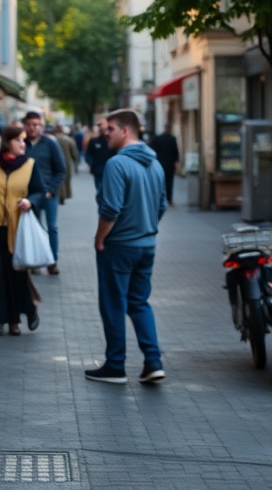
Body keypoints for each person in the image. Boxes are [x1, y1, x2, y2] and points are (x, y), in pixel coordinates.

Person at [85, 108, 167, 386]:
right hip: (147, 244)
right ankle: (153, 362)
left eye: (110, 129)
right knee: (139, 302)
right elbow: (162, 205)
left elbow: (110, 209)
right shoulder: (155, 164)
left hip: (119, 246)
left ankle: (115, 365)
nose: (104, 134)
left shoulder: (117, 164)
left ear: (125, 131)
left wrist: (99, 239)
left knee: (112, 304)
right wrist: (145, 226)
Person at [0, 124, 46, 335]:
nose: (23, 144)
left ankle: (22, 314)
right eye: (18, 140)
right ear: (7, 143)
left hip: (18, 227)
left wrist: (29, 202)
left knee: (16, 274)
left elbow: (39, 192)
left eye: (24, 140)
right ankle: (0, 320)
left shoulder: (30, 165)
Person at [23, 111, 66, 274]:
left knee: (52, 227)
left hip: (48, 194)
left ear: (41, 126)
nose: (32, 128)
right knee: (34, 228)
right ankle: (36, 261)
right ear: (25, 126)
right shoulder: (21, 144)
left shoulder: (50, 144)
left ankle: (52, 261)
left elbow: (61, 170)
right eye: (29, 124)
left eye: (36, 125)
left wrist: (51, 190)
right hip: (30, 196)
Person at [149, 129, 181, 206]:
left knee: (160, 181)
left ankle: (160, 199)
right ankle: (169, 199)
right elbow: (176, 151)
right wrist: (176, 160)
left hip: (159, 163)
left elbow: (151, 150)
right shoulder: (172, 139)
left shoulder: (156, 139)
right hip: (170, 164)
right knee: (170, 182)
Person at [85, 117, 114, 192]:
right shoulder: (94, 140)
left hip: (111, 171)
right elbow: (88, 153)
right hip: (98, 170)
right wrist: (91, 163)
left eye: (102, 124)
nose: (101, 127)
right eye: (99, 125)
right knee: (100, 191)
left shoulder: (113, 140)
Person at [53, 125, 79, 206]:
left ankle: (58, 195)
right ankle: (63, 196)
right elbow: (74, 152)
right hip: (66, 162)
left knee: (57, 179)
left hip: (54, 162)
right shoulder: (68, 139)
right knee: (66, 179)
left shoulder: (53, 139)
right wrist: (75, 163)